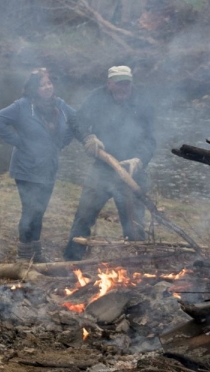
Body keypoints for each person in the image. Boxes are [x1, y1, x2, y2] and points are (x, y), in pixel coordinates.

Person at [61, 65, 156, 261]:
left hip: (130, 172)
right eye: (119, 83)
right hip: (102, 169)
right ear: (109, 83)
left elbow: (149, 139)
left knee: (134, 224)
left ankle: (136, 264)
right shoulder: (97, 97)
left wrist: (139, 160)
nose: (123, 88)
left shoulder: (143, 102)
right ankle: (73, 259)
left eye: (126, 83)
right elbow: (76, 120)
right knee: (84, 215)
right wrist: (88, 137)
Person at [0, 68, 76, 263]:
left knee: (40, 211)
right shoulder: (22, 106)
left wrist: (62, 142)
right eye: (42, 84)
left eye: (49, 83)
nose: (47, 87)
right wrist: (19, 142)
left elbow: (77, 121)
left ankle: (36, 255)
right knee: (30, 211)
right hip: (26, 168)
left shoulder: (59, 106)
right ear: (33, 88)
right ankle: (24, 256)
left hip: (48, 168)